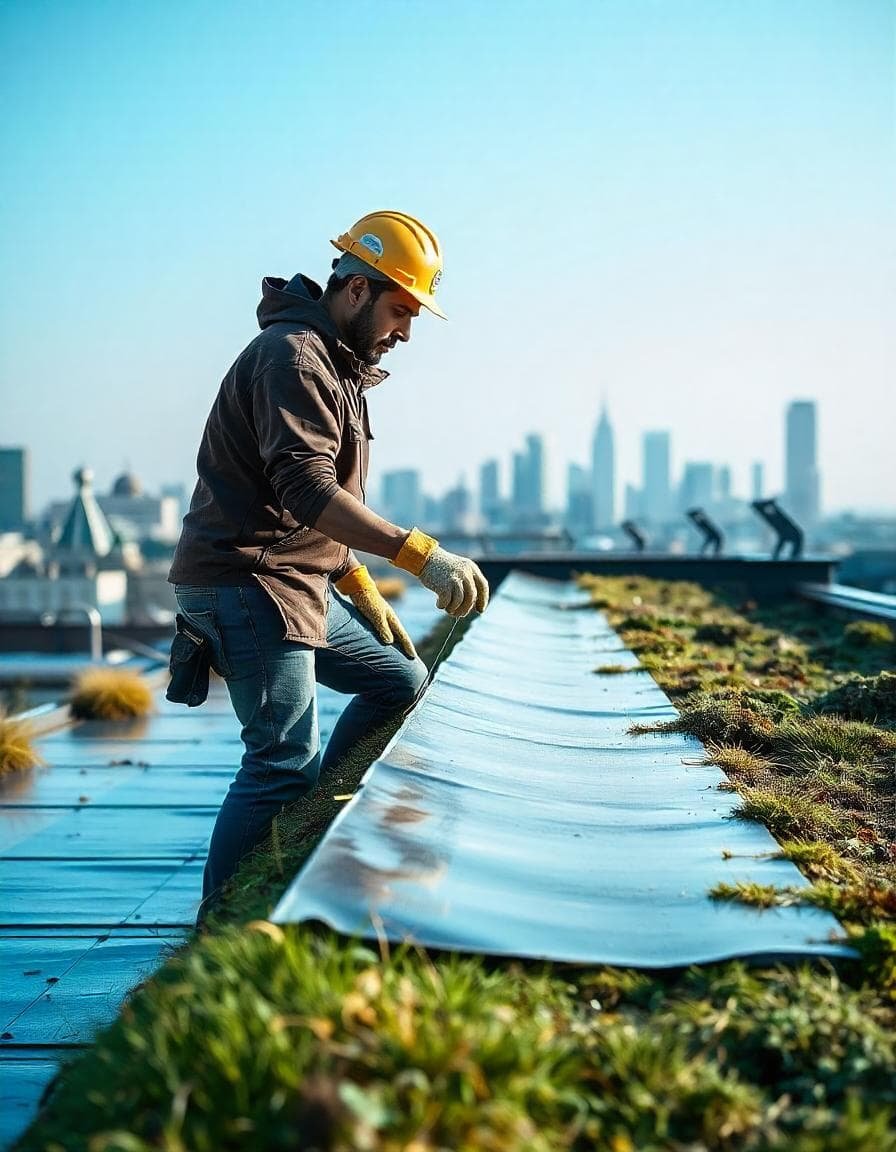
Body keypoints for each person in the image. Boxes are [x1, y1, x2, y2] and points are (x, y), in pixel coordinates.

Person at [167, 210, 489, 911]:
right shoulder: (295, 357)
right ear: (355, 290)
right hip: (247, 584)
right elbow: (306, 489)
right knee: (281, 763)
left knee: (398, 681)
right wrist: (418, 555)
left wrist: (354, 576)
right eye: (401, 310)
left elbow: (307, 502)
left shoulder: (334, 364)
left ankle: (313, 830)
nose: (405, 332)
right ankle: (224, 934)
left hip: (294, 581)